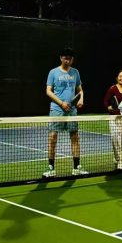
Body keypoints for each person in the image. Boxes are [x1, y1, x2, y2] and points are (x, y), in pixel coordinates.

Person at [43, 47, 88, 178]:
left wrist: (81, 98)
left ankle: (76, 168)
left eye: (70, 58)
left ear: (72, 59)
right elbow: (48, 91)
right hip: (57, 110)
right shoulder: (53, 72)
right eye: (65, 57)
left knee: (75, 137)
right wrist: (61, 103)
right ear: (61, 58)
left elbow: (80, 90)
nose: (67, 60)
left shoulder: (75, 72)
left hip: (72, 111)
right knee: (52, 138)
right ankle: (51, 169)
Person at [103, 69, 122, 170]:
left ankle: (117, 156)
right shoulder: (112, 89)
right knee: (116, 139)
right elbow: (106, 102)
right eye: (120, 76)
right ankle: (120, 160)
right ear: (117, 78)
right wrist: (110, 108)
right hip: (114, 118)